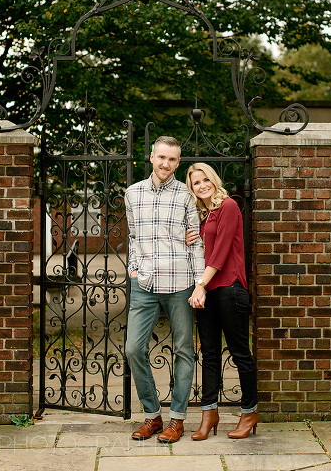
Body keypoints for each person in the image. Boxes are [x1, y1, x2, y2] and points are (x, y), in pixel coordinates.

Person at [124, 136, 206, 444]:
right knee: (133, 348)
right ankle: (152, 415)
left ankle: (177, 420)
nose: (165, 164)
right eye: (161, 157)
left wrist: (199, 284)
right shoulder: (132, 194)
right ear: (151, 157)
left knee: (184, 350)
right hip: (144, 283)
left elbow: (196, 241)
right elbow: (133, 236)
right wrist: (133, 269)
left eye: (172, 159)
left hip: (180, 284)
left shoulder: (186, 196)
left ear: (177, 162)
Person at [185, 162, 258, 440]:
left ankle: (249, 412)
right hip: (208, 291)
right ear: (192, 188)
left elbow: (221, 251)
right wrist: (190, 237)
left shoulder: (228, 206)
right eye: (196, 183)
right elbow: (201, 252)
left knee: (240, 353)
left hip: (229, 289)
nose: (202, 186)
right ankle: (209, 413)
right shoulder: (202, 216)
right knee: (210, 354)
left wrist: (200, 285)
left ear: (213, 180)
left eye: (205, 180)